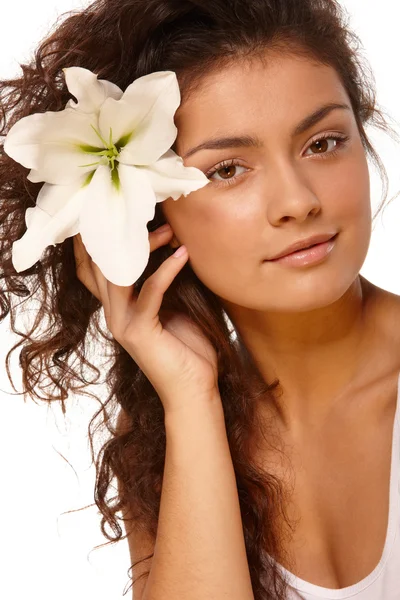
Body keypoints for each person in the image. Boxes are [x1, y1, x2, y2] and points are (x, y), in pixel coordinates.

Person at [1, 0, 399, 599]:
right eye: (229, 169)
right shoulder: (170, 436)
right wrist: (189, 401)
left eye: (323, 143)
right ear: (150, 212)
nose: (297, 201)